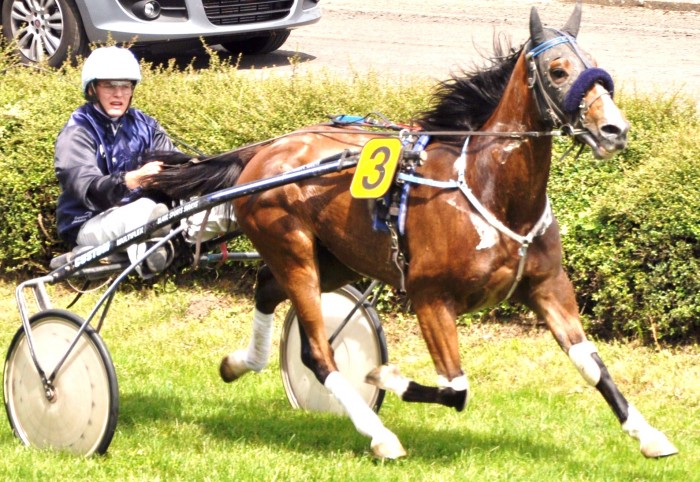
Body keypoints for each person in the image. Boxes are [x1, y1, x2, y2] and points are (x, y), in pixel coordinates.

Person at [54, 46, 175, 278]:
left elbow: (172, 164)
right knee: (146, 210)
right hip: (87, 221)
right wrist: (133, 180)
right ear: (92, 89)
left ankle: (158, 246)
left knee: (190, 205)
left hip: (144, 213)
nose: (118, 94)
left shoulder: (146, 126)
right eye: (109, 85)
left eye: (125, 86)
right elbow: (88, 190)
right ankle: (148, 255)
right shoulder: (77, 132)